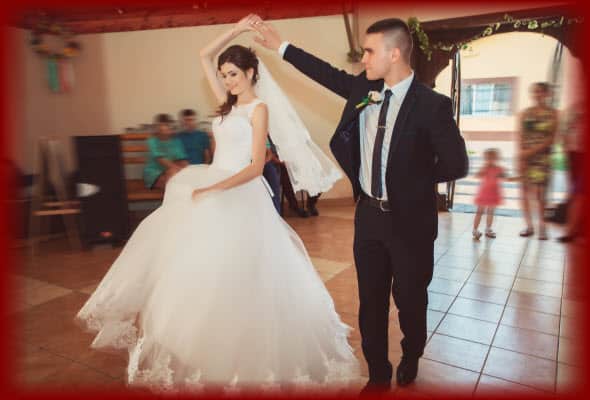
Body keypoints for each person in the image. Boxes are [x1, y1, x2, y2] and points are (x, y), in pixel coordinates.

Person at [76, 15, 357, 392]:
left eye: (234, 75)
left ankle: (247, 347)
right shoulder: (226, 106)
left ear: (252, 73)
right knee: (199, 270)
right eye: (224, 75)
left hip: (239, 192)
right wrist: (236, 29)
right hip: (213, 181)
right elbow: (202, 55)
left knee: (243, 274)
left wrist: (215, 189)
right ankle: (200, 341)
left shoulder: (259, 109)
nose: (227, 81)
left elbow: (256, 166)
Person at [251, 16, 468, 392]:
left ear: (395, 52)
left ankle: (412, 353)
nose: (364, 59)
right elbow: (323, 72)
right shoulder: (363, 89)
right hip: (368, 216)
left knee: (411, 300)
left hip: (410, 222)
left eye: (370, 51)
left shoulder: (432, 105)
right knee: (371, 302)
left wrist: (411, 181)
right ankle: (379, 373)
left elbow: (456, 164)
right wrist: (281, 46)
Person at [516, 82, 559, 240]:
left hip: (543, 159)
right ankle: (529, 226)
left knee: (540, 195)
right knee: (524, 193)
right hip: (525, 157)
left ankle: (542, 227)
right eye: (535, 92)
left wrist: (530, 152)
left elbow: (552, 139)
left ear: (547, 94)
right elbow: (520, 136)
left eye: (541, 92)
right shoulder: (525, 113)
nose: (537, 95)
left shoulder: (554, 114)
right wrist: (521, 157)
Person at [472, 148, 517, 240]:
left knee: (491, 211)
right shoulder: (485, 168)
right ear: (485, 159)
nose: (490, 160)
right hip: (484, 193)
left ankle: (488, 229)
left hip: (494, 193)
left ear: (497, 158)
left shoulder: (500, 169)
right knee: (479, 211)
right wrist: (482, 171)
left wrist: (517, 178)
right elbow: (476, 175)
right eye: (488, 158)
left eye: (493, 158)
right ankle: (475, 229)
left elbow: (507, 178)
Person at [557, 99, 585, 242]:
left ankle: (574, 230)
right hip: (574, 154)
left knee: (578, 194)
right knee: (575, 193)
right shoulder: (575, 106)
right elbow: (564, 131)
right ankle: (573, 229)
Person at [143, 113, 189, 189]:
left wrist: (188, 170)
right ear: (157, 128)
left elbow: (182, 159)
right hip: (154, 173)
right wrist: (180, 171)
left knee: (176, 177)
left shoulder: (176, 141)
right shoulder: (152, 141)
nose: (166, 128)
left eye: (168, 125)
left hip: (171, 171)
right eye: (162, 125)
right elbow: (161, 159)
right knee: (175, 179)